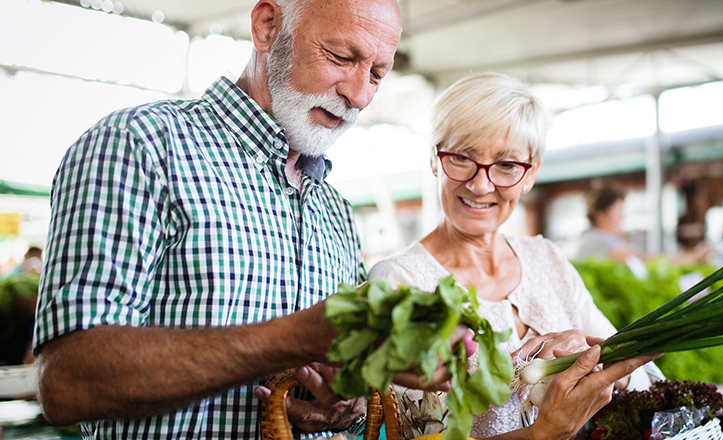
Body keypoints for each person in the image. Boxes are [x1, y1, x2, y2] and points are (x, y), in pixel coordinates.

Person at [31, 0, 440, 438]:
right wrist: (292, 337)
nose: (359, 95)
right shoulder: (139, 146)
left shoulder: (333, 207)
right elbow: (67, 381)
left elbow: (344, 379)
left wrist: (348, 402)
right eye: (341, 57)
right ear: (267, 27)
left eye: (377, 73)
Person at [368, 73, 662, 440]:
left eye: (506, 165)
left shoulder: (547, 260)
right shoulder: (399, 282)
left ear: (531, 174)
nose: (480, 184)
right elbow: (419, 435)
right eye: (461, 158)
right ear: (434, 159)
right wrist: (543, 434)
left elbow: (645, 381)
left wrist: (588, 354)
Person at [575, 185, 711, 279]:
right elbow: (647, 261)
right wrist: (695, 256)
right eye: (618, 212)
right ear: (601, 216)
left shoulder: (603, 240)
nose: (623, 217)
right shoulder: (594, 241)